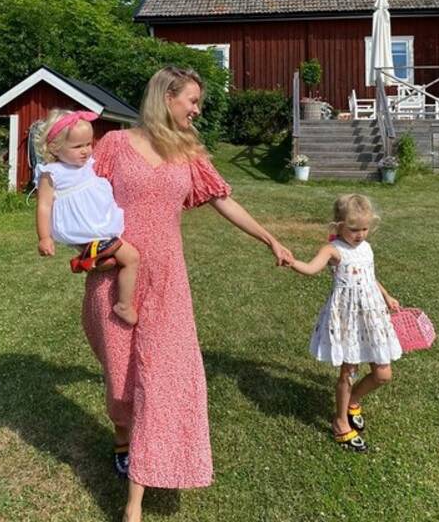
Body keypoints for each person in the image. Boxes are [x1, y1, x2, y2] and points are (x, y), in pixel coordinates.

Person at [81, 66, 293, 522]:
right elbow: (82, 199)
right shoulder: (115, 145)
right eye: (192, 100)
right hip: (115, 275)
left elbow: (222, 199)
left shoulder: (189, 151)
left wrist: (269, 238)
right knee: (121, 381)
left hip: (168, 282)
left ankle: (144, 481)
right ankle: (123, 438)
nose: (197, 109)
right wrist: (86, 249)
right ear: (166, 97)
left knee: (164, 378)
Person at [289, 193, 401, 452]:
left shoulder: (366, 248)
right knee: (348, 371)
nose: (360, 234)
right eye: (353, 229)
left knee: (383, 374)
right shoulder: (334, 249)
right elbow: (311, 268)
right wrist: (292, 262)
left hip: (372, 316)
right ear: (338, 225)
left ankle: (353, 401)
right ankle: (340, 422)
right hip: (349, 319)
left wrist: (386, 296)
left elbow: (370, 276)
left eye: (365, 228)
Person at [35, 109, 139, 326]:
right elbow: (44, 205)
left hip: (96, 221)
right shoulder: (51, 172)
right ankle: (123, 304)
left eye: (88, 144)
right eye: (77, 146)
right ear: (55, 147)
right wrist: (44, 237)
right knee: (132, 258)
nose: (86, 151)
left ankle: (93, 257)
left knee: (111, 260)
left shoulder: (87, 165)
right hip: (82, 225)